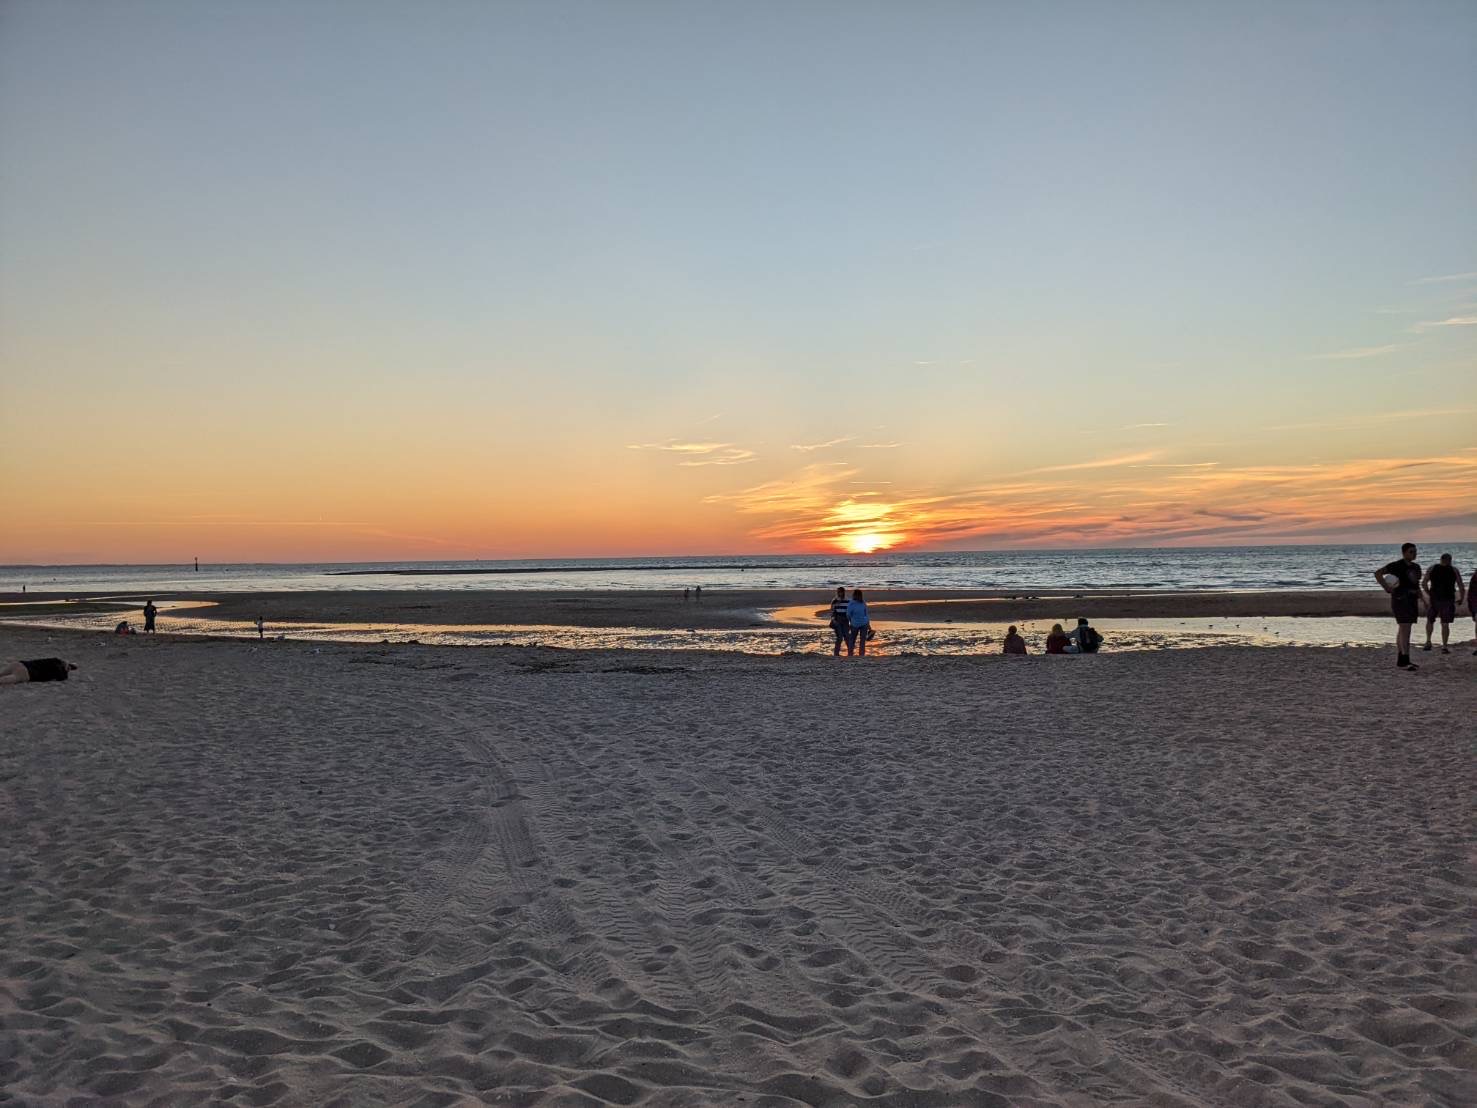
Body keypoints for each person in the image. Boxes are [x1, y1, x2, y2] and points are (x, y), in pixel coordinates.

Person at [1374, 542, 1423, 670]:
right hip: (1400, 599)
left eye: (1415, 551)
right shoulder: (1396, 565)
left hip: (1412, 600)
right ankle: (1406, 659)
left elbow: (1416, 585)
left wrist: (1424, 599)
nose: (1414, 554)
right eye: (1411, 552)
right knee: (1405, 628)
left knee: (1403, 629)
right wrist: (1386, 587)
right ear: (1404, 553)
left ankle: (1401, 658)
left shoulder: (1416, 567)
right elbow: (1378, 573)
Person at [1420, 553, 1464, 654]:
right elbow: (1460, 585)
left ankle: (1428, 642)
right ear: (1450, 560)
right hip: (1447, 599)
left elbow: (1424, 583)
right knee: (1444, 623)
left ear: (1441, 559)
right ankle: (1443, 646)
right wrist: (1461, 598)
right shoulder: (1454, 570)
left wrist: (1429, 593)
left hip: (1435, 598)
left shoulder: (1432, 568)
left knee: (1431, 620)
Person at [1, 658, 78, 685]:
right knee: (4, 680)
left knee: (1, 674)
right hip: (26, 673)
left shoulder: (55, 660)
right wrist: (66, 670)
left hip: (20, 664)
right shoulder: (61, 673)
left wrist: (65, 664)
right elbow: (62, 678)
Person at [846, 588, 871, 656]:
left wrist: (850, 621)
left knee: (852, 640)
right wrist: (869, 625)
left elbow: (848, 614)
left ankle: (850, 654)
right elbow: (866, 614)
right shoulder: (863, 602)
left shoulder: (851, 603)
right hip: (864, 623)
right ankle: (861, 654)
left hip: (854, 624)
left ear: (854, 595)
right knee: (862, 641)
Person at [826, 586, 850, 656]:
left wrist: (850, 620)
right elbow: (832, 611)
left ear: (843, 592)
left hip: (845, 619)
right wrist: (833, 619)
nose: (839, 593)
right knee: (839, 637)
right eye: (838, 592)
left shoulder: (848, 600)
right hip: (837, 619)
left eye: (841, 592)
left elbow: (849, 611)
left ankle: (850, 652)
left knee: (846, 636)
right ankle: (836, 654)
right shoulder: (834, 600)